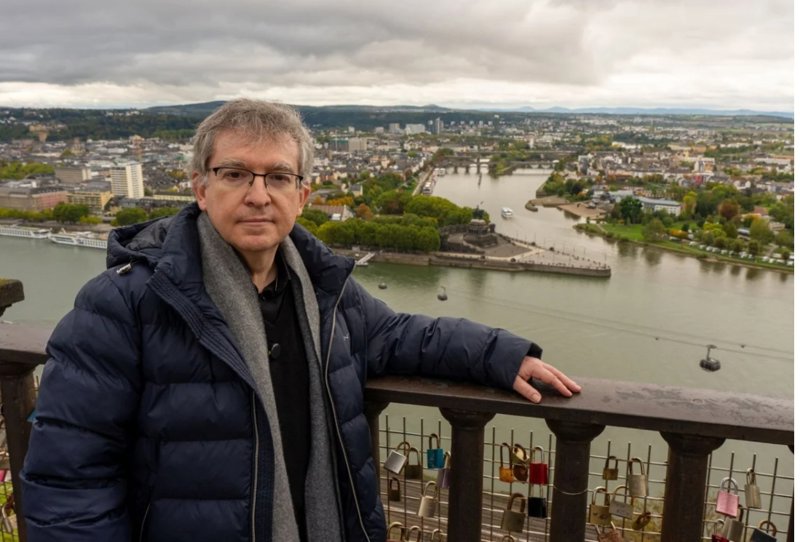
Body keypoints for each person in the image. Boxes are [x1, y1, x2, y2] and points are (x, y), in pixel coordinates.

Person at [21, 99, 580, 542]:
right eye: (236, 173)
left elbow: (397, 334)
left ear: (303, 194)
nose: (258, 195)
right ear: (200, 187)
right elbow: (69, 480)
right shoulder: (122, 304)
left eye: (277, 177)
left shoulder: (322, 288)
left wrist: (500, 355)